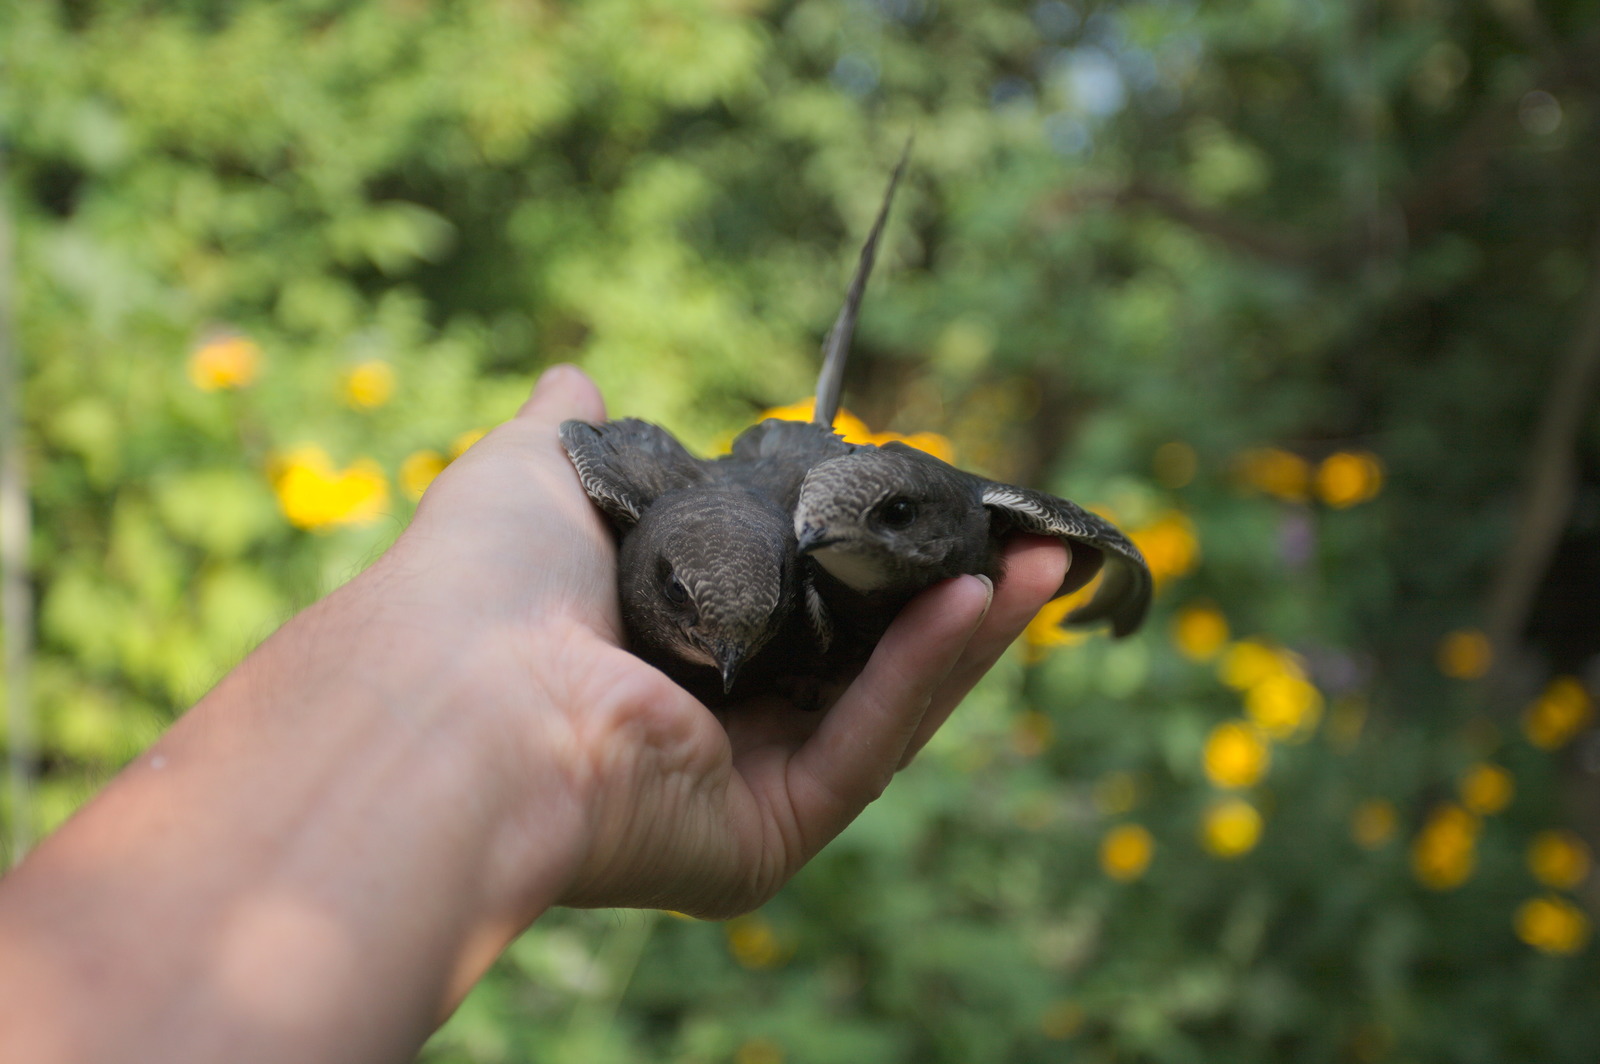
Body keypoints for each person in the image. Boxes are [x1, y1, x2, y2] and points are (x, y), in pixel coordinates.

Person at [0, 365, 1069, 1063]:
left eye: (757, 631)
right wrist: (503, 706)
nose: (729, 664)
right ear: (660, 582)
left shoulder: (801, 559)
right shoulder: (636, 496)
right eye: (701, 622)